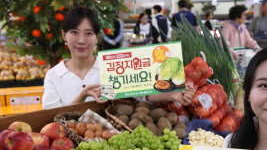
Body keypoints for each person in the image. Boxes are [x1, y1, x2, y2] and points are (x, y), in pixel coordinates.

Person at [43, 7, 195, 109]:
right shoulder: (54, 75)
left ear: (97, 38)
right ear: (64, 35)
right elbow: (50, 118)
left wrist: (174, 93)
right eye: (74, 32)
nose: (81, 40)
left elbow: (143, 94)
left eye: (88, 33)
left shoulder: (113, 65)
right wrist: (82, 96)